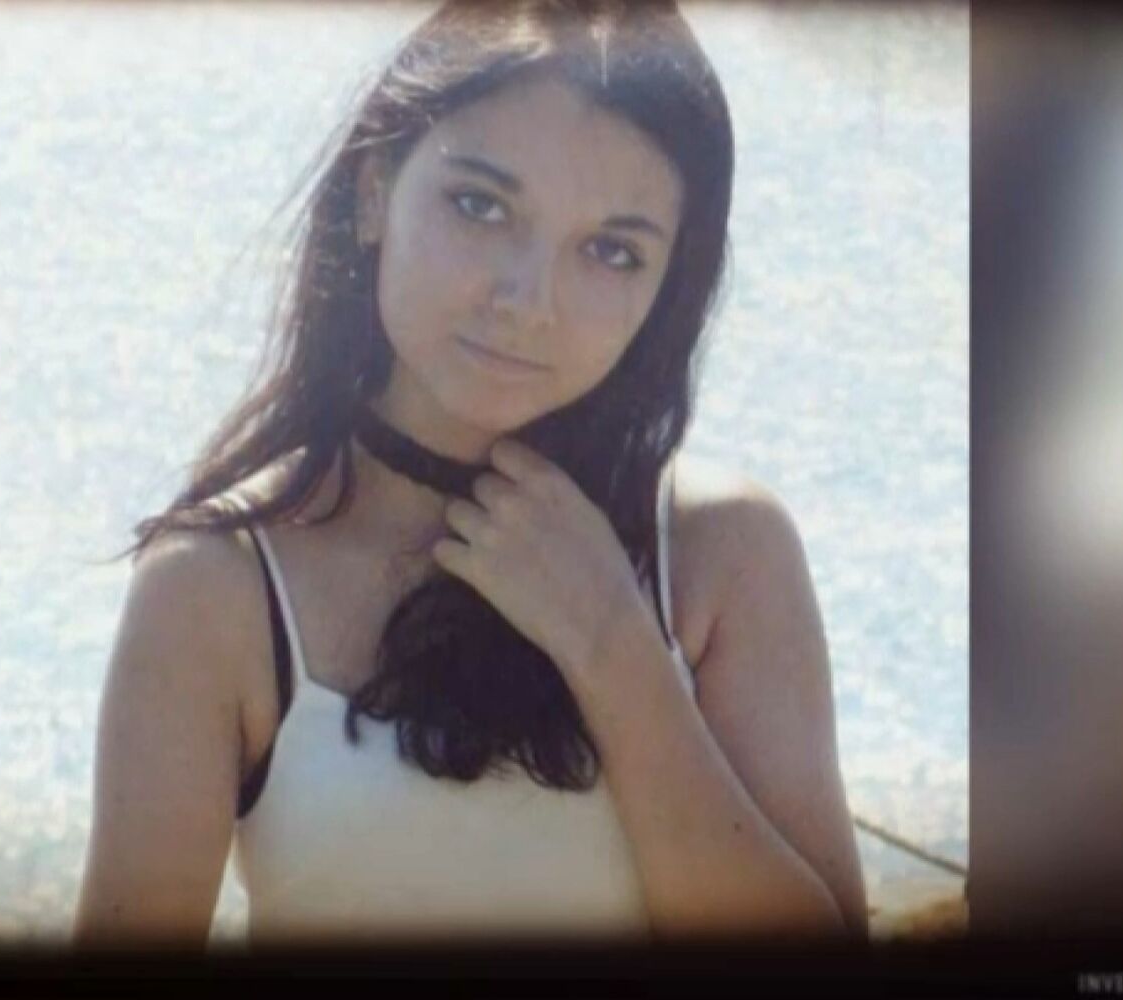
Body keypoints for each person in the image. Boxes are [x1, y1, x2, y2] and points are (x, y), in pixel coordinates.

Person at [75, 0, 866, 950]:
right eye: (482, 206)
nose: (528, 300)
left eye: (611, 250)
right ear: (375, 188)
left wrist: (614, 648)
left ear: (668, 286)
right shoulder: (217, 585)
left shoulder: (720, 554)